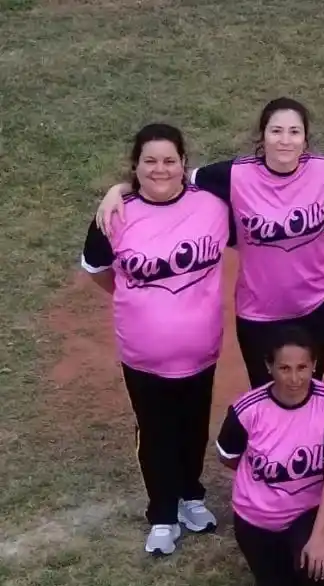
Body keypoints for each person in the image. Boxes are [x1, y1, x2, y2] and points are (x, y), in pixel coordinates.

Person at [95, 98, 324, 386]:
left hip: (315, 308)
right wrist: (122, 189)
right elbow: (169, 177)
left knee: (310, 392)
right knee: (267, 395)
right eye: (276, 131)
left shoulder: (323, 171)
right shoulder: (235, 174)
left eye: (294, 132)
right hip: (258, 314)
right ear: (263, 136)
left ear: (306, 139)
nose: (285, 141)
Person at [79, 123, 230, 555]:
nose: (160, 169)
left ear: (185, 164)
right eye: (150, 161)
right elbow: (98, 270)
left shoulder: (214, 206)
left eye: (169, 160)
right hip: (143, 354)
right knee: (156, 431)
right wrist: (135, 298)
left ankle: (191, 496)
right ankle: (162, 513)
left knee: (194, 428)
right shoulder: (115, 214)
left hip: (202, 348)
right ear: (136, 166)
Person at [215, 327, 324, 586]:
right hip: (257, 516)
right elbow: (229, 457)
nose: (294, 378)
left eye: (302, 367)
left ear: (314, 365)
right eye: (284, 368)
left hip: (310, 507)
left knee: (320, 562)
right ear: (269, 367)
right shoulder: (247, 409)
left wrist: (319, 538)